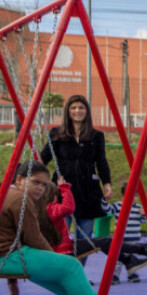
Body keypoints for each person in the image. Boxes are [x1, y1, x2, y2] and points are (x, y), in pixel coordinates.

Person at [0, 161, 141, 295]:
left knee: (60, 278)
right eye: (36, 182)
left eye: (44, 184)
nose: (40, 188)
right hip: (6, 257)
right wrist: (56, 258)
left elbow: (9, 239)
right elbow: (33, 237)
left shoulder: (5, 195)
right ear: (19, 180)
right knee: (70, 265)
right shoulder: (20, 199)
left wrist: (13, 281)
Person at [36, 178, 147, 283]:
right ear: (53, 197)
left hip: (64, 246)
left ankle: (130, 260)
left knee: (104, 242)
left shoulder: (39, 209)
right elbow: (68, 207)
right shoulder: (50, 209)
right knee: (106, 242)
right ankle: (141, 251)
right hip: (64, 250)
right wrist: (64, 188)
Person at [41, 95, 112, 255]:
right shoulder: (57, 134)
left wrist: (107, 183)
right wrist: (33, 177)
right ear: (68, 111)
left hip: (87, 191)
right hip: (62, 189)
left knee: (85, 238)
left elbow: (101, 161)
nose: (77, 111)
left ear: (87, 111)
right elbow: (43, 158)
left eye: (81, 108)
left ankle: (79, 269)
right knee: (60, 236)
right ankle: (62, 267)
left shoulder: (96, 136)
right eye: (73, 108)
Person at [100, 182, 147, 283]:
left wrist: (144, 215)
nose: (134, 198)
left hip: (134, 238)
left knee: (132, 256)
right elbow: (107, 209)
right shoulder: (118, 206)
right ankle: (115, 275)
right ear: (123, 195)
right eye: (131, 195)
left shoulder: (138, 208)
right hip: (121, 239)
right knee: (118, 258)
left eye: (136, 196)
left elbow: (142, 221)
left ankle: (132, 274)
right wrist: (105, 200)